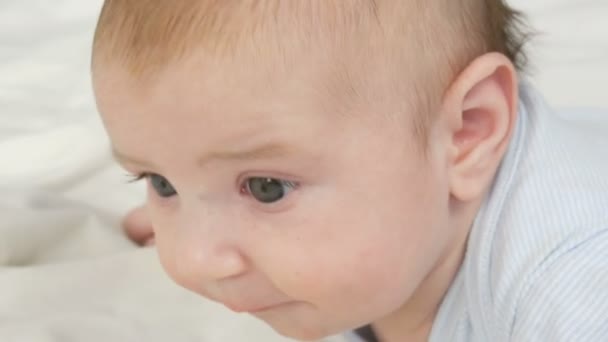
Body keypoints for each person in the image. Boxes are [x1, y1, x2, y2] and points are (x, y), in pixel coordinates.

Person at [91, 1, 608, 341]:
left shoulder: (570, 290)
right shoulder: (396, 217)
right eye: (160, 182)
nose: (197, 258)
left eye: (266, 188)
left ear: (467, 133)